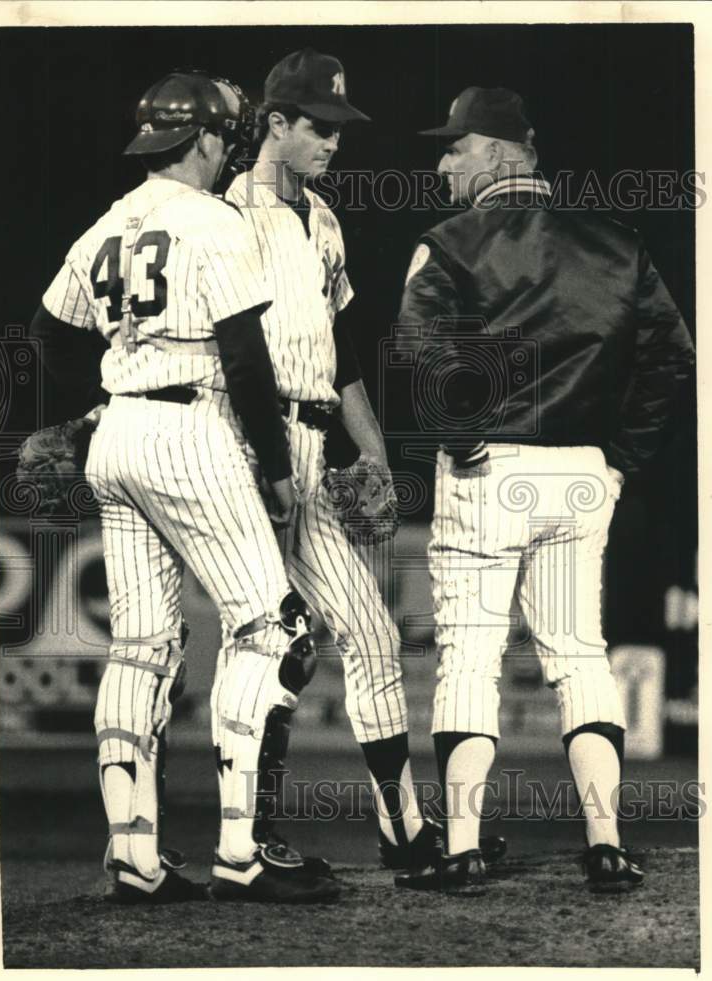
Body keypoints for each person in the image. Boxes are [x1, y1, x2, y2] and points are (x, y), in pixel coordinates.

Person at [32, 70, 340, 904]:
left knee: (140, 647)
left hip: (121, 433)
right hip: (191, 427)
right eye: (224, 134)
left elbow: (48, 334)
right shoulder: (213, 219)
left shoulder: (107, 223)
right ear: (205, 140)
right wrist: (276, 471)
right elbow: (243, 356)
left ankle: (133, 857)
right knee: (276, 630)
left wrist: (101, 402)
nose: (229, 145)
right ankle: (241, 853)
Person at [394, 87, 695, 893]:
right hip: (582, 474)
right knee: (578, 653)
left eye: (453, 147)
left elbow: (420, 358)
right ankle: (605, 841)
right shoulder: (616, 242)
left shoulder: (449, 242)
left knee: (467, 657)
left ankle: (459, 845)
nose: (442, 163)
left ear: (497, 153)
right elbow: (672, 358)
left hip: (489, 469)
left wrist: (461, 443)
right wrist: (620, 458)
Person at [217, 49, 508, 875]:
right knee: (267, 644)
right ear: (274, 122)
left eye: (340, 127)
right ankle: (243, 836)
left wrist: (373, 451)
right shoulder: (220, 217)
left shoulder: (323, 220)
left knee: (374, 638)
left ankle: (403, 831)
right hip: (235, 446)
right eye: (319, 125)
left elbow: (340, 357)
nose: (334, 142)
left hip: (309, 446)